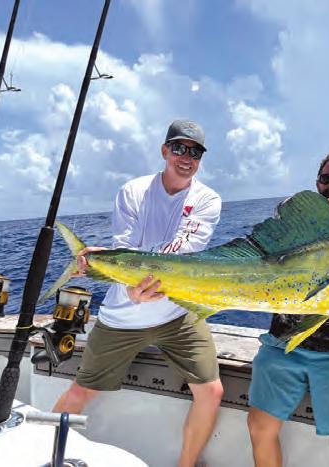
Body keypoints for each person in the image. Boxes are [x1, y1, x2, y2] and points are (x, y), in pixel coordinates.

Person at [53, 119, 224, 467]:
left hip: (178, 313)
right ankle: (41, 450)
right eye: (179, 148)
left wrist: (127, 273)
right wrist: (128, 288)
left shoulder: (208, 199)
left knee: (211, 391)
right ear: (165, 150)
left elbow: (182, 250)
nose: (186, 157)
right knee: (82, 389)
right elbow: (126, 248)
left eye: (195, 152)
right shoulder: (133, 191)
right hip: (122, 317)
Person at [247, 151, 329, 467]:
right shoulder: (296, 228)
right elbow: (285, 208)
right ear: (318, 184)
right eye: (328, 178)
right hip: (282, 345)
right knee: (260, 427)